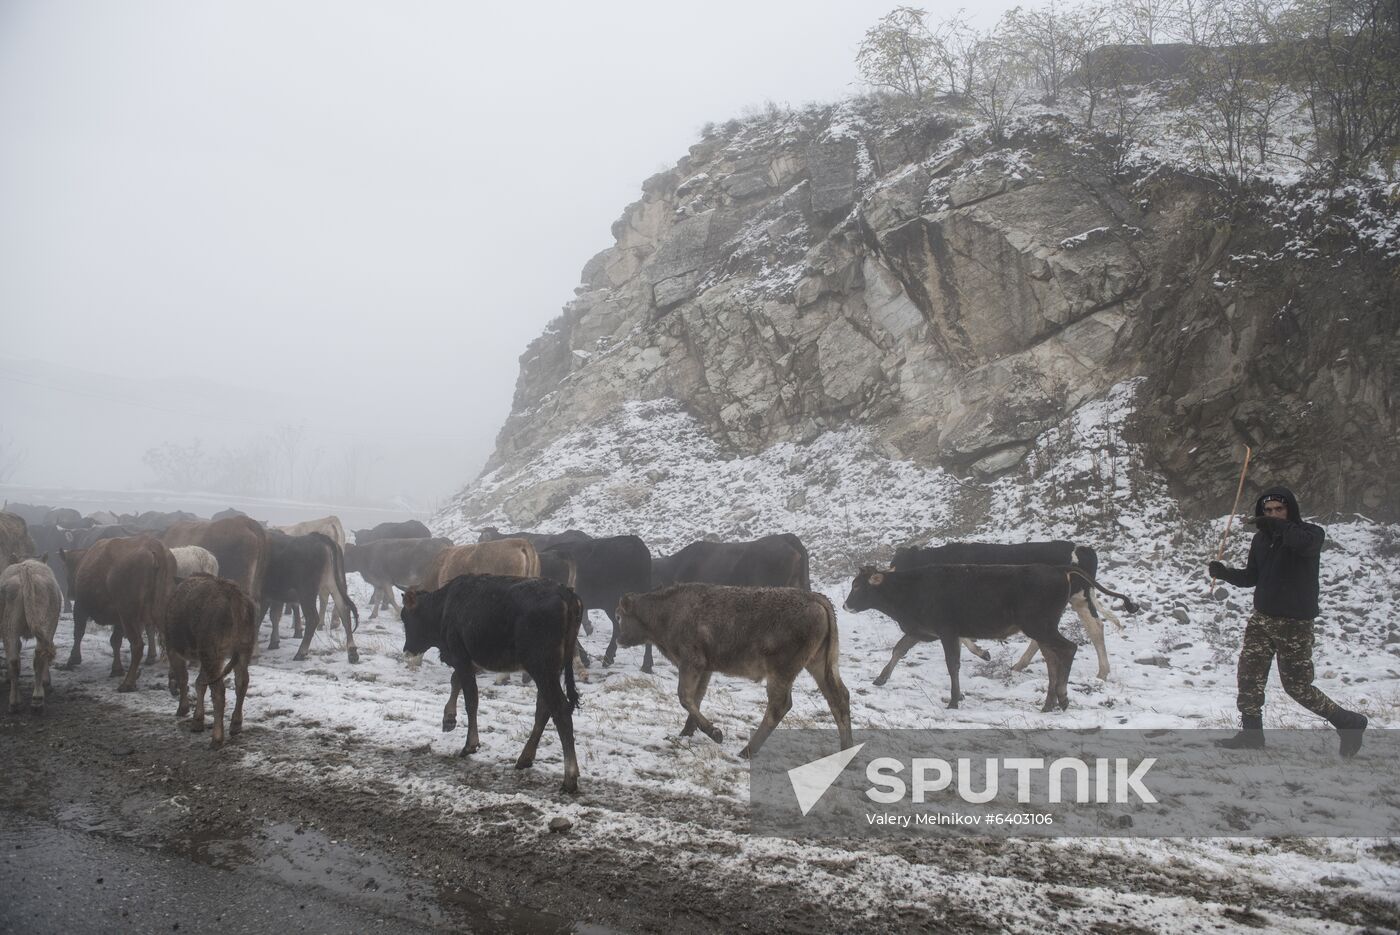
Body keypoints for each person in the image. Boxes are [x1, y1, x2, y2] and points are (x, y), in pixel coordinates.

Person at [1208, 486, 1368, 757]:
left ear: (1290, 510)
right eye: (1268, 511)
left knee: (1297, 687)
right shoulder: (1260, 540)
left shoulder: (1310, 534)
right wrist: (1225, 574)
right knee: (1248, 677)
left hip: (1295, 624)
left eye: (1279, 510)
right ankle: (1252, 735)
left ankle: (1349, 722)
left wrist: (1279, 526)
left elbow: (1302, 545)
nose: (1273, 514)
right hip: (1262, 619)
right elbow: (1251, 578)